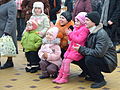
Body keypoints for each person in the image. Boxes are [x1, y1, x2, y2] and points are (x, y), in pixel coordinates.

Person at [73, 11, 117, 88]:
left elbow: (99, 53)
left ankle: (100, 80)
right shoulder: (90, 30)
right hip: (100, 57)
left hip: (109, 61)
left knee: (89, 59)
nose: (84, 22)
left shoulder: (101, 34)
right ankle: (91, 74)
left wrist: (81, 49)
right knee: (74, 56)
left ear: (94, 22)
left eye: (87, 20)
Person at [53, 12, 89, 84]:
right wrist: (69, 34)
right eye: (75, 20)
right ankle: (60, 76)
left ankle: (65, 77)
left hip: (77, 50)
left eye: (78, 21)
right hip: (71, 49)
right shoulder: (75, 28)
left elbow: (79, 40)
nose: (76, 22)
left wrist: (70, 34)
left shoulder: (84, 29)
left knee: (66, 62)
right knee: (63, 61)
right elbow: (71, 39)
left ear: (82, 21)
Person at [0, 0, 18, 69]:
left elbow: (11, 18)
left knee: (8, 45)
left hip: (6, 28)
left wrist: (7, 31)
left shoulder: (11, 3)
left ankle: (9, 61)